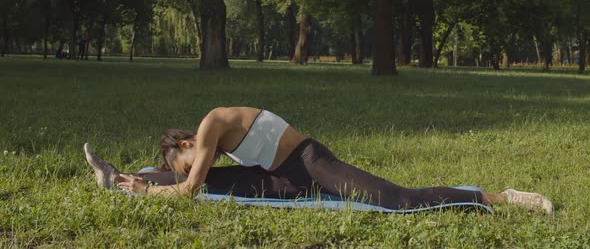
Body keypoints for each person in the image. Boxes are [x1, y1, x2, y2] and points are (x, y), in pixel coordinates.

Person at [84, 107, 553, 213]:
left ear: (187, 145)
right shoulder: (208, 145)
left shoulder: (210, 126)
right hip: (278, 178)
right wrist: (144, 179)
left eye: (186, 164)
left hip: (309, 164)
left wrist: (161, 189)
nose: (193, 171)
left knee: (398, 200)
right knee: (215, 183)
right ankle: (116, 176)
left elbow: (188, 187)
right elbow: (189, 179)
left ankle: (498, 197)